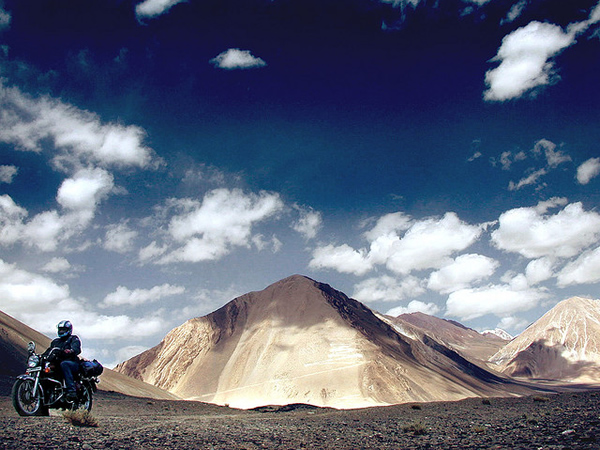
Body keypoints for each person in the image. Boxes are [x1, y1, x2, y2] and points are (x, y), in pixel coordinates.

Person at [43, 320, 82, 402]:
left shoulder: (73, 339)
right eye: (60, 329)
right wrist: (41, 356)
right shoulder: (56, 341)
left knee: (64, 364)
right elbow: (49, 351)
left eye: (64, 329)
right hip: (58, 363)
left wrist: (71, 350)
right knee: (44, 365)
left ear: (69, 330)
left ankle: (71, 391)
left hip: (72, 363)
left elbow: (77, 349)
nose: (61, 331)